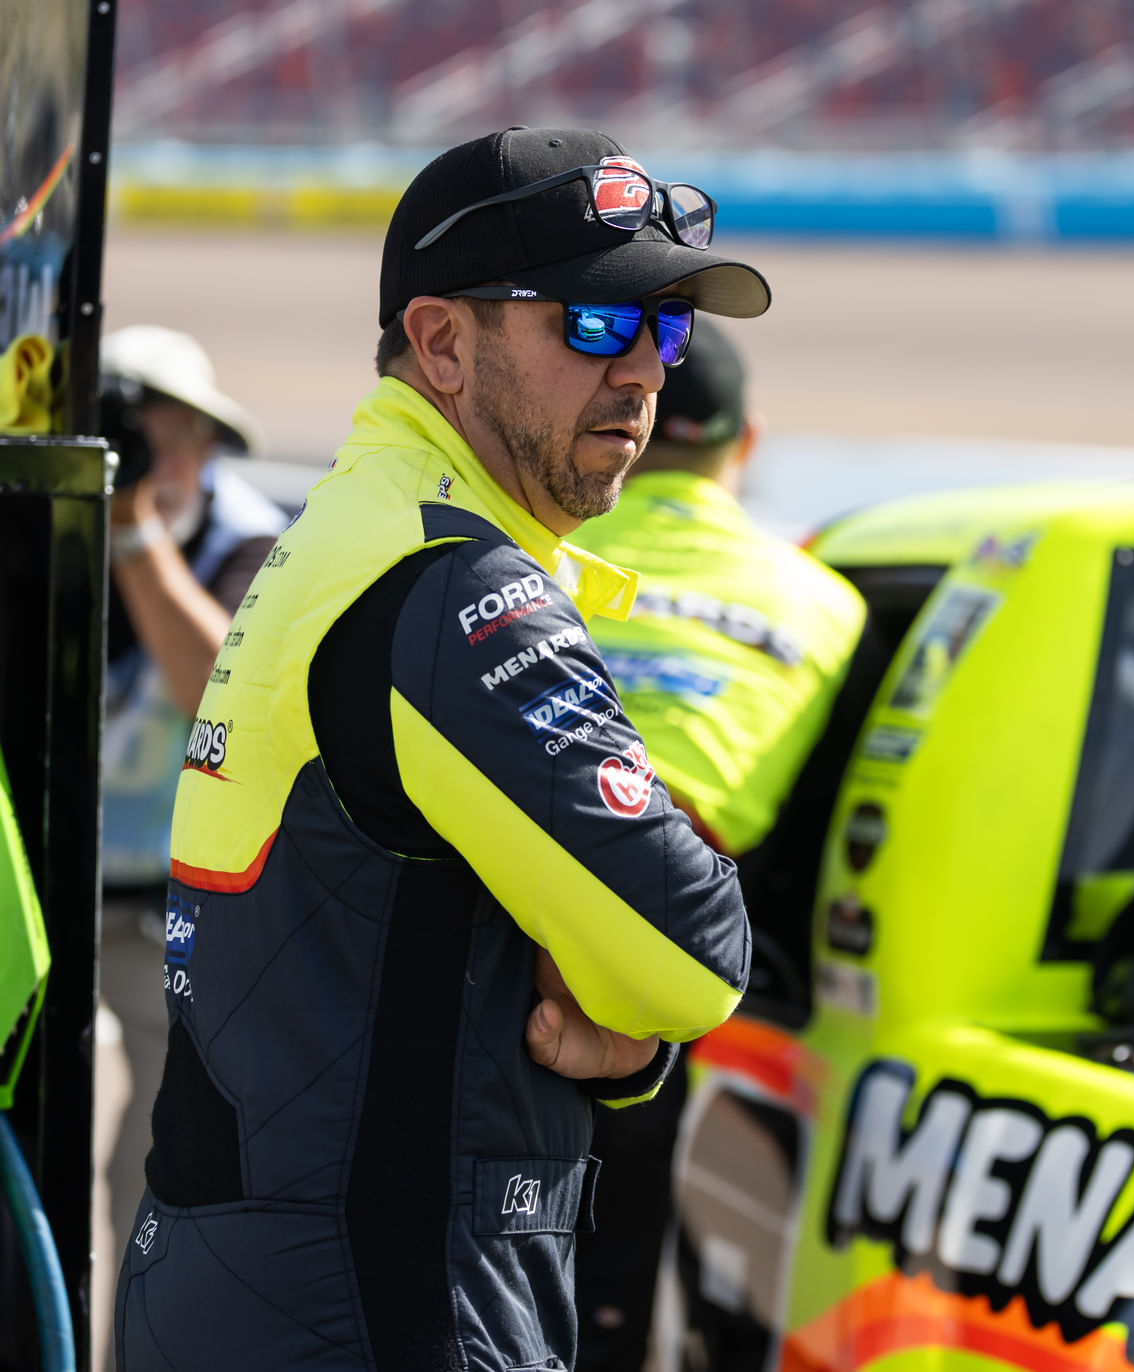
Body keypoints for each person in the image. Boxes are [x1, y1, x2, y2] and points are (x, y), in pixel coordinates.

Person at [113, 126, 764, 1372]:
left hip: (259, 1275)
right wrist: (633, 1026)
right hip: (373, 1302)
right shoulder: (450, 587)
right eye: (592, 321)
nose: (643, 370)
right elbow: (694, 952)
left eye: (665, 327)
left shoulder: (350, 531)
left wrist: (620, 1032)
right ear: (443, 342)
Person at [565, 323, 865, 1369]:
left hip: (488, 924)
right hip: (661, 966)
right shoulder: (826, 602)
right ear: (750, 441)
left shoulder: (531, 553)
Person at [91, 325, 287, 1371]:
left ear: (211, 446)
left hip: (176, 901)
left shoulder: (255, 540)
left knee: (158, 1166)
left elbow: (213, 689)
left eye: (178, 437)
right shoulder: (39, 513)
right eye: (134, 438)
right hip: (47, 886)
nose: (161, 462)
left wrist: (130, 533)